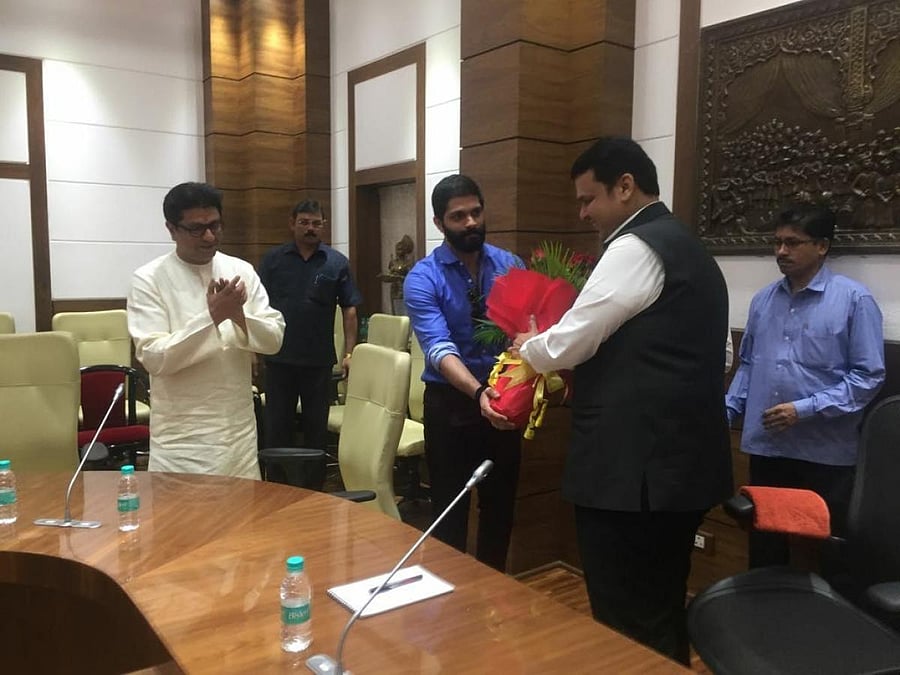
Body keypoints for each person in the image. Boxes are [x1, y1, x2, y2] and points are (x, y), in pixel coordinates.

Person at [511, 137, 733, 664]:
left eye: (589, 199)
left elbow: (576, 338)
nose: (584, 213)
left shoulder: (636, 246)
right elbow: (722, 355)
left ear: (626, 187)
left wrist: (530, 347)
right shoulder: (692, 249)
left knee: (624, 617)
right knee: (662, 605)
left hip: (632, 475)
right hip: (685, 469)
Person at [725, 204, 885, 569]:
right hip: (768, 450)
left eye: (793, 243)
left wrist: (804, 409)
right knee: (765, 552)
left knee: (824, 558)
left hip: (824, 456)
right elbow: (749, 365)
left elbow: (868, 377)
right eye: (777, 242)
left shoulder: (854, 301)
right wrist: (729, 408)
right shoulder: (763, 300)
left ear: (822, 246)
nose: (781, 251)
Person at [403, 174, 524, 572]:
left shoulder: (510, 265)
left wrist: (526, 347)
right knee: (449, 510)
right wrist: (477, 392)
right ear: (439, 223)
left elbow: (528, 327)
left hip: (504, 400)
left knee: (500, 508)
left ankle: (493, 590)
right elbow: (439, 348)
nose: (471, 222)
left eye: (476, 212)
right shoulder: (423, 277)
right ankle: (449, 594)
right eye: (458, 216)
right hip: (450, 404)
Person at [128, 182, 285, 478]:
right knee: (182, 509)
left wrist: (238, 316)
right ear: (171, 229)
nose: (210, 236)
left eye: (215, 225)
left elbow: (274, 338)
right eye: (196, 229)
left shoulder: (241, 271)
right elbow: (154, 358)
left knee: (242, 508)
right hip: (182, 438)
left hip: (238, 432)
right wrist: (212, 317)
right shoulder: (148, 279)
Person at [259, 199, 362, 451]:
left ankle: (314, 476)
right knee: (277, 427)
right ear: (292, 223)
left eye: (316, 223)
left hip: (318, 360)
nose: (310, 228)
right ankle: (277, 476)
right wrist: (253, 349)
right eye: (304, 222)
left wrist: (350, 353)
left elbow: (349, 309)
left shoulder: (336, 262)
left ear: (323, 225)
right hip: (278, 358)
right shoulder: (273, 260)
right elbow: (256, 305)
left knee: (316, 430)